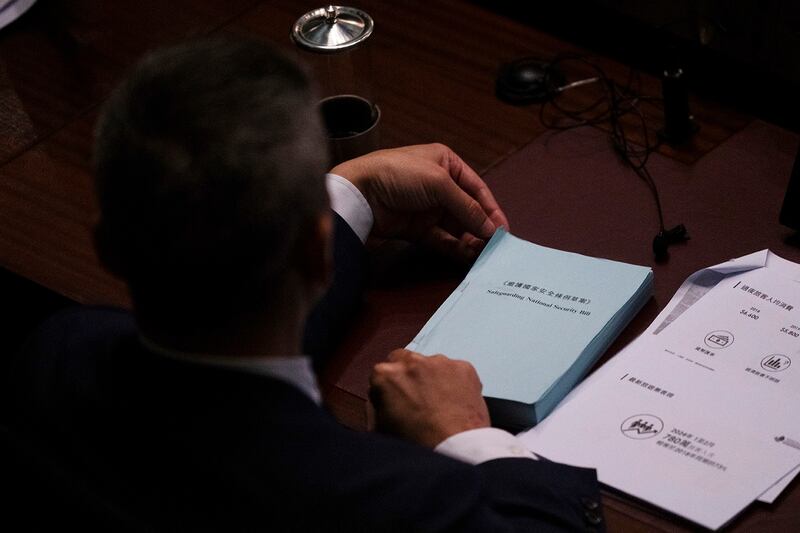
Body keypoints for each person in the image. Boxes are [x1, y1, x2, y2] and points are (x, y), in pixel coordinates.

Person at [7, 37, 605, 531]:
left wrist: (352, 190)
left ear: (107, 246)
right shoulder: (385, 497)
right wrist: (466, 437)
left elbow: (222, 358)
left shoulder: (55, 355)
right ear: (319, 256)